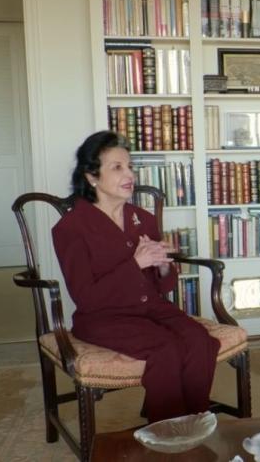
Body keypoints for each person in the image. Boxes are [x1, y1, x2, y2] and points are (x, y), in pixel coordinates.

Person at [52, 131, 219, 422]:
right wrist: (135, 263)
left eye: (130, 166)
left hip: (151, 308)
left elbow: (161, 287)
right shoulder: (71, 228)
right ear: (92, 176)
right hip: (102, 318)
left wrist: (164, 266)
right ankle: (166, 429)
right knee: (165, 348)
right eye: (117, 167)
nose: (129, 174)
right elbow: (86, 297)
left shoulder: (143, 218)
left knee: (199, 340)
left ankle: (193, 421)